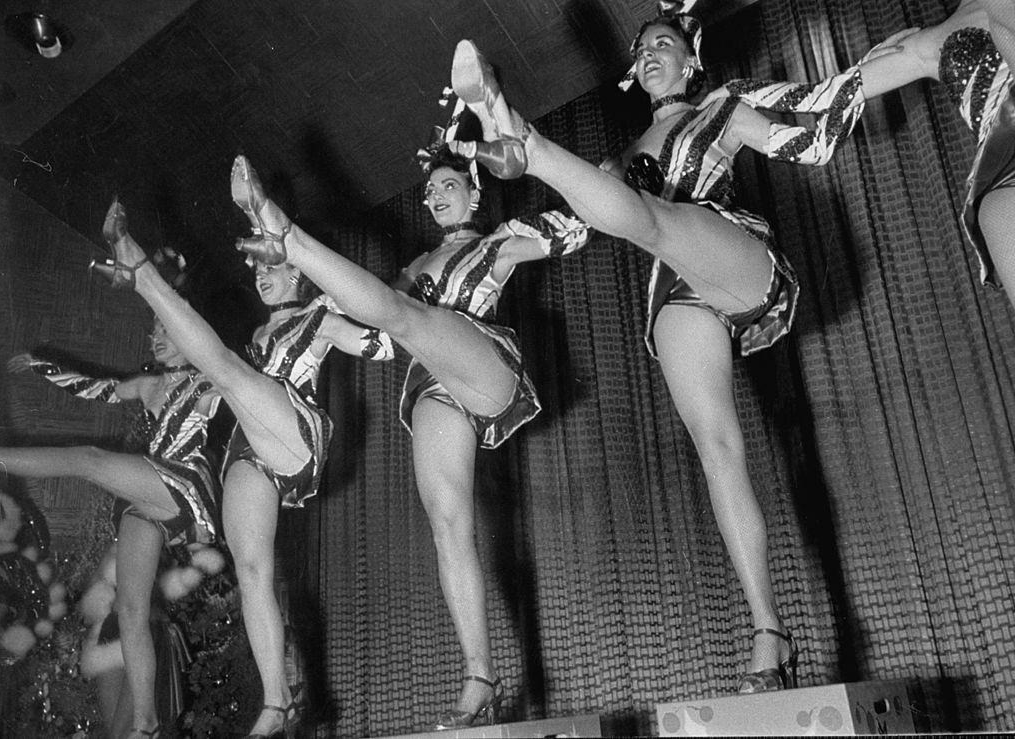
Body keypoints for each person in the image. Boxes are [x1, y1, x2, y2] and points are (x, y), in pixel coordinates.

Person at [441, 0, 894, 693]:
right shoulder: (619, 160)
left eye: (663, 44)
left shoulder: (717, 107)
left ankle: (525, 134)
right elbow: (567, 229)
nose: (649, 54)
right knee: (718, 448)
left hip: (731, 251)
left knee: (650, 220)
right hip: (674, 291)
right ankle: (769, 631)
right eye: (642, 49)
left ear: (691, 60)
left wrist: (897, 70)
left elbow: (807, 137)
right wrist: (502, 240)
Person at [229, 147, 589, 728]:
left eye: (448, 185)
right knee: (448, 525)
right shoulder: (416, 266)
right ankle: (480, 678)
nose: (434, 197)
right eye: (429, 191)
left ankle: (282, 227)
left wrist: (556, 199)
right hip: (432, 385)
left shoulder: (495, 243)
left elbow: (573, 233)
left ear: (474, 190)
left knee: (410, 317)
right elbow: (358, 308)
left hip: (482, 362)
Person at [86, 197, 394, 738]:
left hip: (296, 433)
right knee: (252, 571)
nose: (260, 278)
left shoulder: (320, 317)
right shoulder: (254, 340)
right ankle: (275, 704)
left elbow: (380, 344)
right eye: (256, 272)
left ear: (297, 267)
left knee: (224, 368)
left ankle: (142, 274)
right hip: (251, 451)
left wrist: (407, 322)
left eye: (270, 267)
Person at [704, 0, 1015, 307]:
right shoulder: (926, 42)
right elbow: (822, 96)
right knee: (995, 213)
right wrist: (736, 90)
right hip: (1004, 156)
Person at [0, 315, 222, 738]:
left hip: (181, 483)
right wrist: (43, 366)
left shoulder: (211, 379)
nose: (156, 339)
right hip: (149, 500)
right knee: (131, 610)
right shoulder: (148, 385)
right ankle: (146, 725)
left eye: (167, 331)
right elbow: (97, 388)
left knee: (88, 460)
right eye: (153, 331)